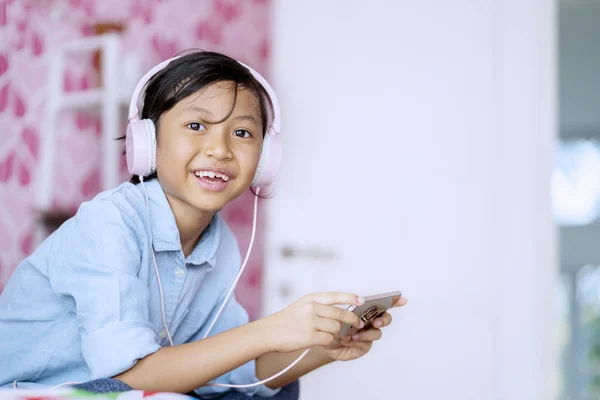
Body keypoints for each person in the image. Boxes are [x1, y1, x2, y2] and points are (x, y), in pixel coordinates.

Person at [0, 50, 407, 399]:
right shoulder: (109, 224)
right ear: (147, 141)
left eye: (243, 132)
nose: (220, 149)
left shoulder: (219, 244)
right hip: (31, 389)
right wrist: (269, 330)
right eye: (196, 126)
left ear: (265, 160)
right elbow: (128, 376)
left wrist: (318, 346)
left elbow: (230, 373)